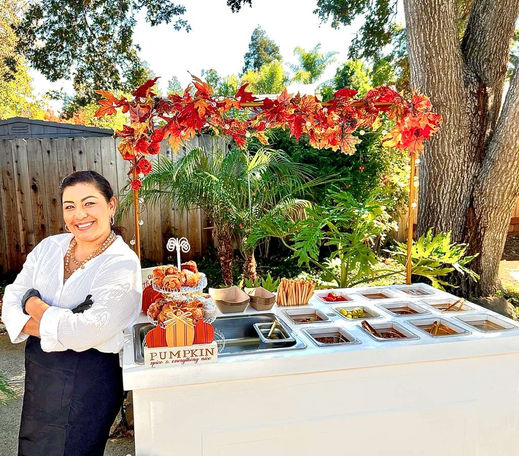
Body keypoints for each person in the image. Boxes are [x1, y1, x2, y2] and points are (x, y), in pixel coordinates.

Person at [1, 170, 142, 456]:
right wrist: (57, 318)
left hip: (91, 379)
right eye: (70, 206)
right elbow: (10, 300)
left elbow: (85, 333)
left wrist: (35, 305)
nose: (80, 214)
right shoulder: (48, 248)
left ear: (111, 205)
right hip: (42, 374)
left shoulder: (121, 264)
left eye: (89, 203)